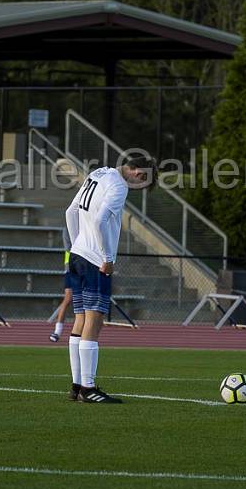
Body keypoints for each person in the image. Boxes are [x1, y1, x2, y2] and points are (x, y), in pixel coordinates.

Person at [64, 153, 154, 403]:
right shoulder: (118, 185)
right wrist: (107, 258)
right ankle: (88, 388)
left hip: (78, 255)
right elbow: (101, 219)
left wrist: (76, 246)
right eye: (144, 178)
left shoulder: (98, 173)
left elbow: (70, 211)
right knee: (95, 320)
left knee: (80, 319)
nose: (140, 184)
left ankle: (76, 385)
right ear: (136, 171)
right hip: (94, 261)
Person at [49, 227, 73, 343]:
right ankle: (58, 330)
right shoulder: (68, 227)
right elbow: (69, 248)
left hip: (85, 267)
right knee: (68, 298)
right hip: (72, 267)